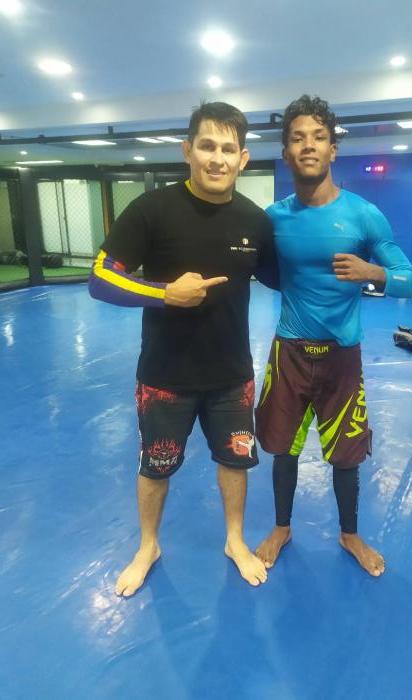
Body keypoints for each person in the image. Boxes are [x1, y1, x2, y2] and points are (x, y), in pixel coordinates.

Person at [89, 101, 279, 595]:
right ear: (187, 150)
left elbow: (283, 277)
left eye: (228, 149)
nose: (217, 158)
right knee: (155, 467)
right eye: (207, 146)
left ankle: (234, 540)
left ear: (243, 158)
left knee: (236, 463)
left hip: (231, 375)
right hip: (165, 375)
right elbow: (100, 278)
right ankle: (148, 545)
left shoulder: (254, 220)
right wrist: (164, 293)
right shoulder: (152, 210)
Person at [254, 95, 412, 577]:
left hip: (342, 356)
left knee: (347, 453)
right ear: (286, 153)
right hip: (289, 351)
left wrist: (373, 272)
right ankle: (281, 527)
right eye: (298, 138)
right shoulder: (273, 218)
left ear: (332, 150)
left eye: (318, 137)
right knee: (282, 447)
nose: (308, 145)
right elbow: (263, 270)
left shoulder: (364, 215)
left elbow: (410, 279)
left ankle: (350, 534)